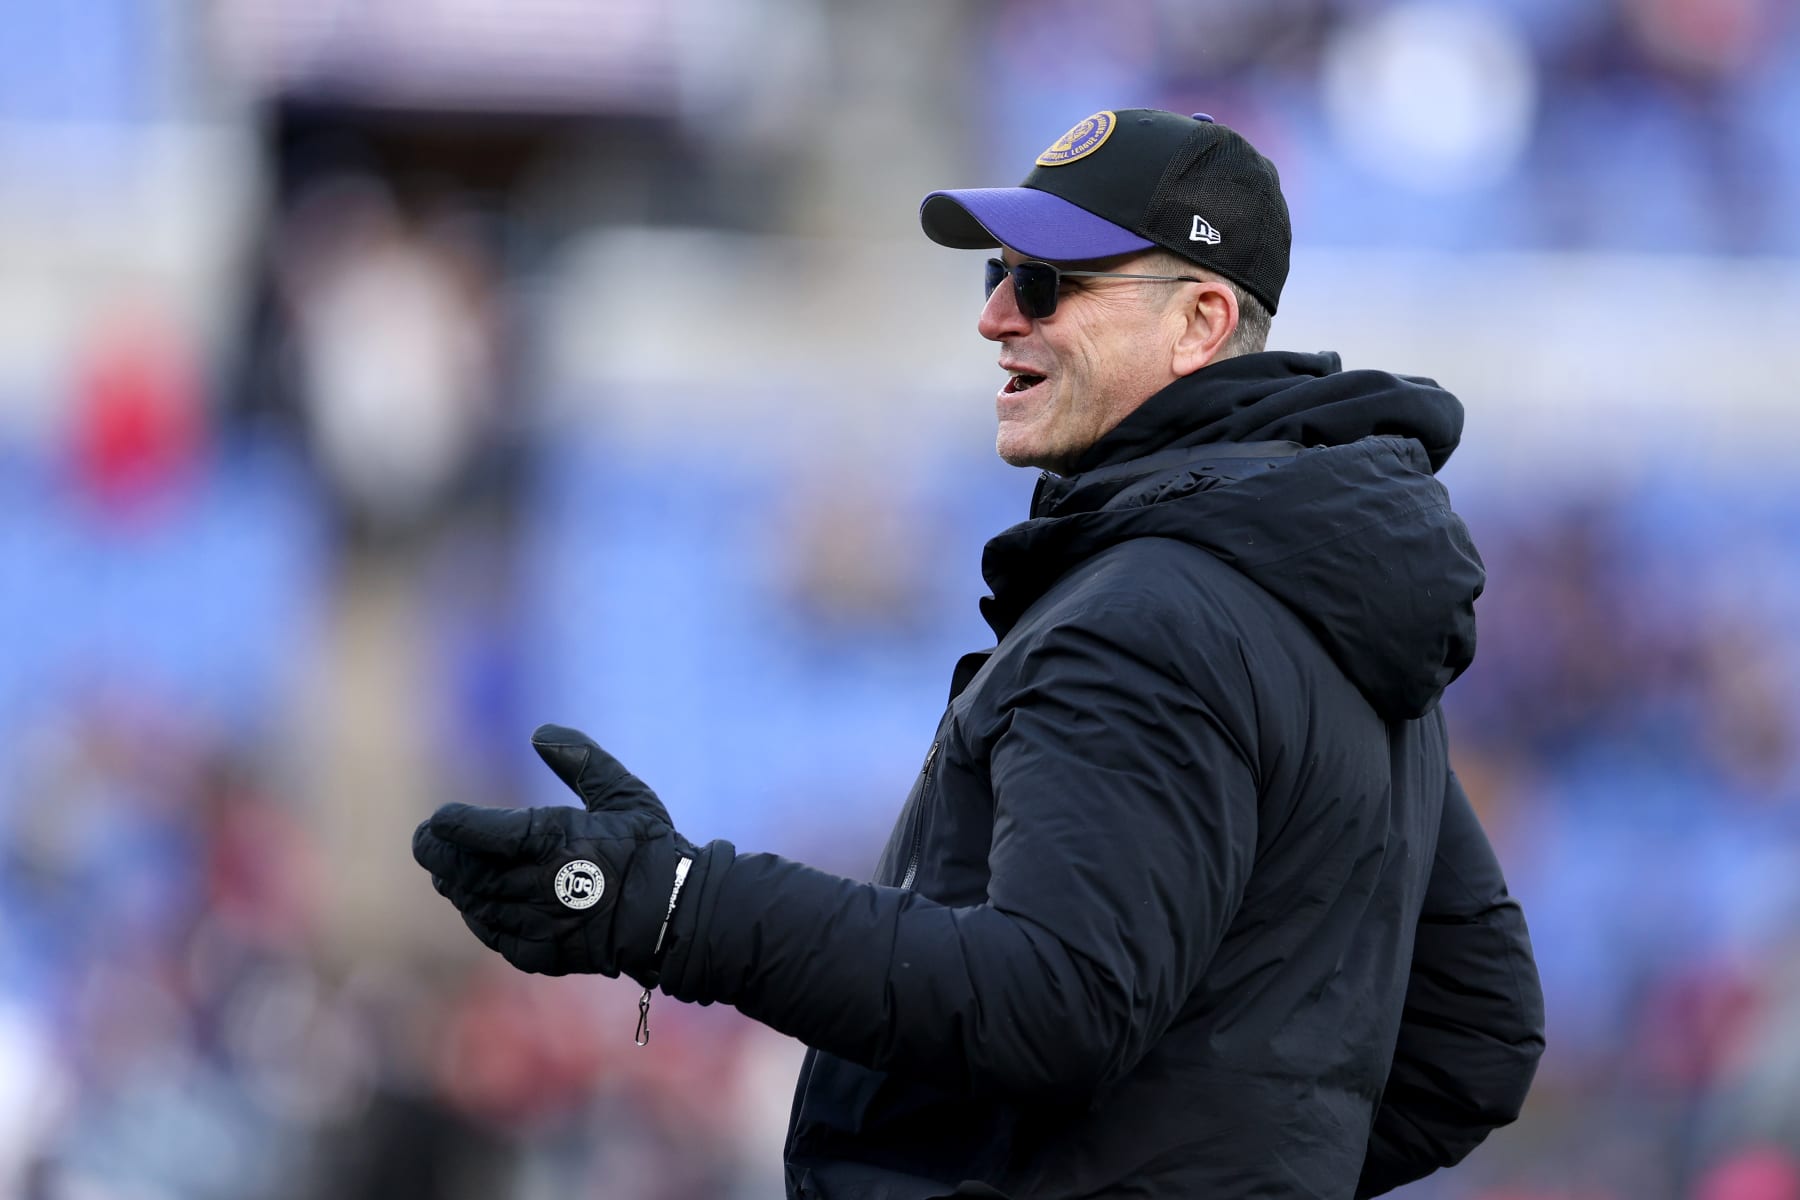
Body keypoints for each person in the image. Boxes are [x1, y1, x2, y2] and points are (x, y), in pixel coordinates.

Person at [412, 108, 1545, 1199]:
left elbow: (1054, 1000)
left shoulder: (1151, 614)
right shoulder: (1321, 603)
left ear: (1200, 322)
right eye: (992, 276)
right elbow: (1475, 1040)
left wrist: (673, 907)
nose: (998, 316)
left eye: (1047, 283)